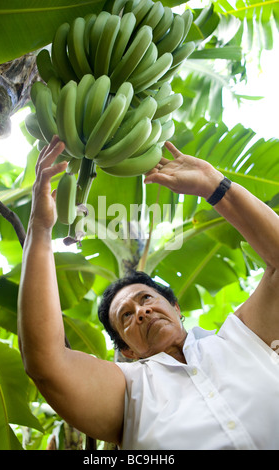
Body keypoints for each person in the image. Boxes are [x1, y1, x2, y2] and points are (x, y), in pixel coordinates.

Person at [18, 135, 279, 450]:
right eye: (126, 316)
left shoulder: (240, 338)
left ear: (176, 306)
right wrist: (41, 229)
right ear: (128, 351)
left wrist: (213, 184)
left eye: (146, 299)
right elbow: (46, 362)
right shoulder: (128, 392)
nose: (140, 311)